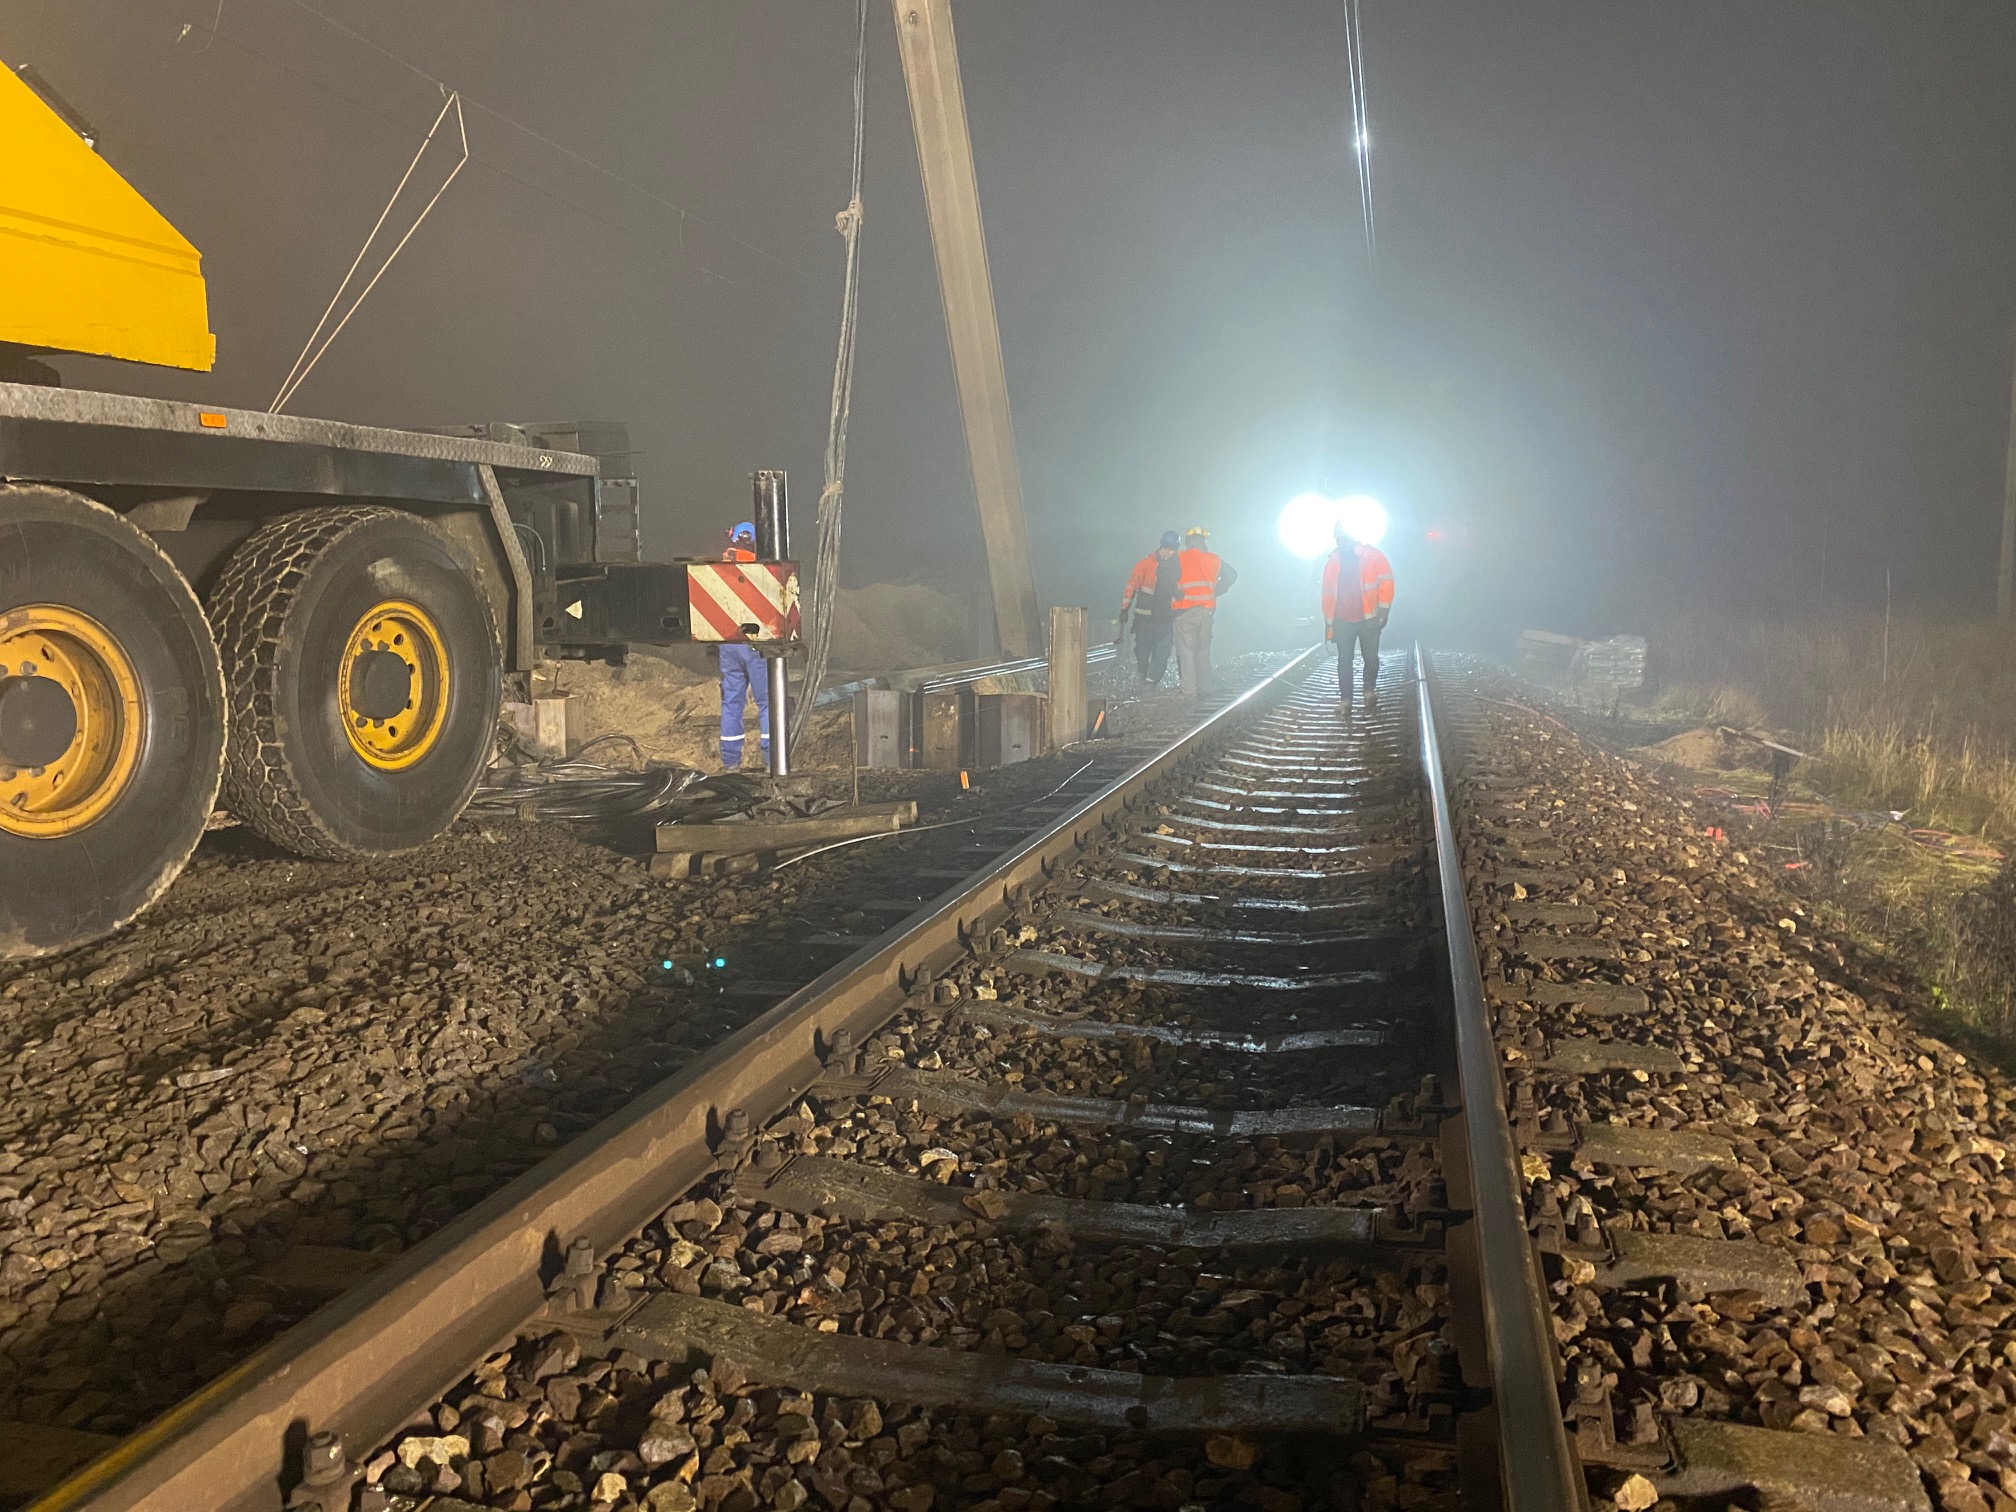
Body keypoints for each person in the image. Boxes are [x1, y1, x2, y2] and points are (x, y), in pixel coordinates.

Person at [1322, 519, 1394, 710]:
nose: (1341, 543)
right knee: (1344, 660)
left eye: (1344, 538)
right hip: (1342, 619)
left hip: (1368, 618)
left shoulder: (1373, 557)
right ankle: (1346, 700)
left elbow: (1386, 583)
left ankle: (1368, 691)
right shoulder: (1332, 564)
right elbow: (1328, 596)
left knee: (1370, 658)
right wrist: (1329, 623)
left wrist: (1383, 612)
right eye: (1339, 539)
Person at [717, 521, 771, 769]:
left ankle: (730, 762)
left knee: (732, 702)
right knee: (767, 702)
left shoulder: (720, 567)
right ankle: (772, 759)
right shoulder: (762, 569)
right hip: (755, 642)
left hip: (728, 643)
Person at [1170, 526, 1236, 697]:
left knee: (1187, 652)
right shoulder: (1214, 559)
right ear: (1203, 542)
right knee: (1203, 652)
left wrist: (1174, 592)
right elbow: (1232, 574)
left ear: (1187, 542)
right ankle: (1205, 689)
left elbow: (1163, 576)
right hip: (1206, 611)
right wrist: (1217, 590)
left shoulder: (1179, 557)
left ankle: (1189, 692)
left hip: (1185, 610)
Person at [1116, 530, 1182, 685]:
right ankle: (1143, 677)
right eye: (1166, 548)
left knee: (1162, 653)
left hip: (1166, 618)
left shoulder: (1178, 567)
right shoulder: (1145, 565)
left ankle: (1150, 682)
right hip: (1145, 618)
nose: (1168, 553)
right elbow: (1131, 587)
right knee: (1142, 652)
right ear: (1161, 547)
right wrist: (1124, 609)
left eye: (1171, 550)